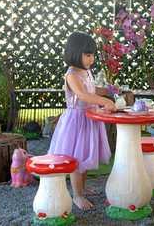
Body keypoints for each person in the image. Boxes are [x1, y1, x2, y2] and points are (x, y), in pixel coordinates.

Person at [48, 31, 117, 210]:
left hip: (90, 119)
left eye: (92, 55)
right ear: (75, 53)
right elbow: (82, 94)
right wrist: (105, 101)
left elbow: (92, 89)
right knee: (77, 161)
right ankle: (77, 195)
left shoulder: (86, 72)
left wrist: (109, 91)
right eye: (87, 55)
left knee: (86, 157)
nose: (91, 59)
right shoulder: (72, 74)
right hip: (77, 122)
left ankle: (83, 189)